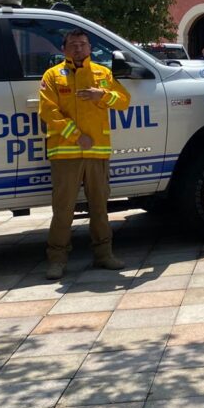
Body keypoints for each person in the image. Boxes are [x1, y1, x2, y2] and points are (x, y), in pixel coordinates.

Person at [39, 29, 131, 280]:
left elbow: (124, 100)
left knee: (100, 207)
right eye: (73, 44)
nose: (78, 48)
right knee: (63, 210)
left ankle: (104, 254)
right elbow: (48, 111)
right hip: (65, 153)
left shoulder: (103, 74)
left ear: (90, 48)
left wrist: (103, 95)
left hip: (97, 152)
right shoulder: (52, 75)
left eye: (83, 44)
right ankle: (57, 259)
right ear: (63, 49)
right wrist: (76, 135)